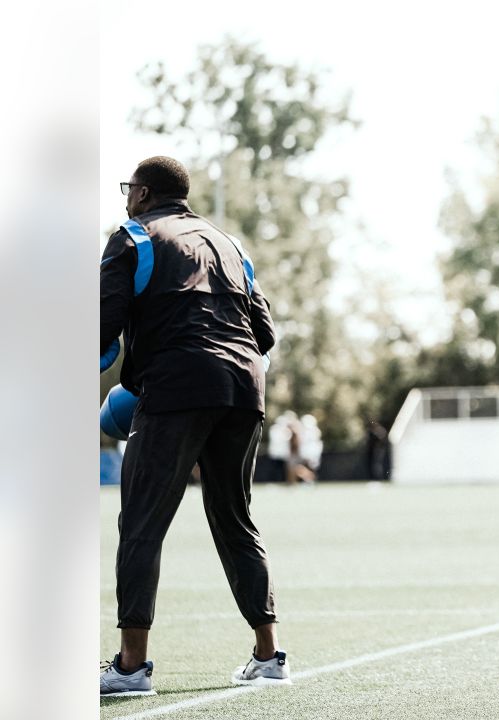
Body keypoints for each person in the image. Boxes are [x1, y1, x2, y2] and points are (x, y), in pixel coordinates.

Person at [99, 156, 290, 696]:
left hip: (178, 385)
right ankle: (269, 655)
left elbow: (98, 329)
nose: (125, 198)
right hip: (243, 387)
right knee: (235, 518)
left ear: (143, 193)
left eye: (127, 189)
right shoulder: (231, 245)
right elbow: (265, 333)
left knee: (141, 522)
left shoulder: (133, 237)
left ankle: (131, 668)